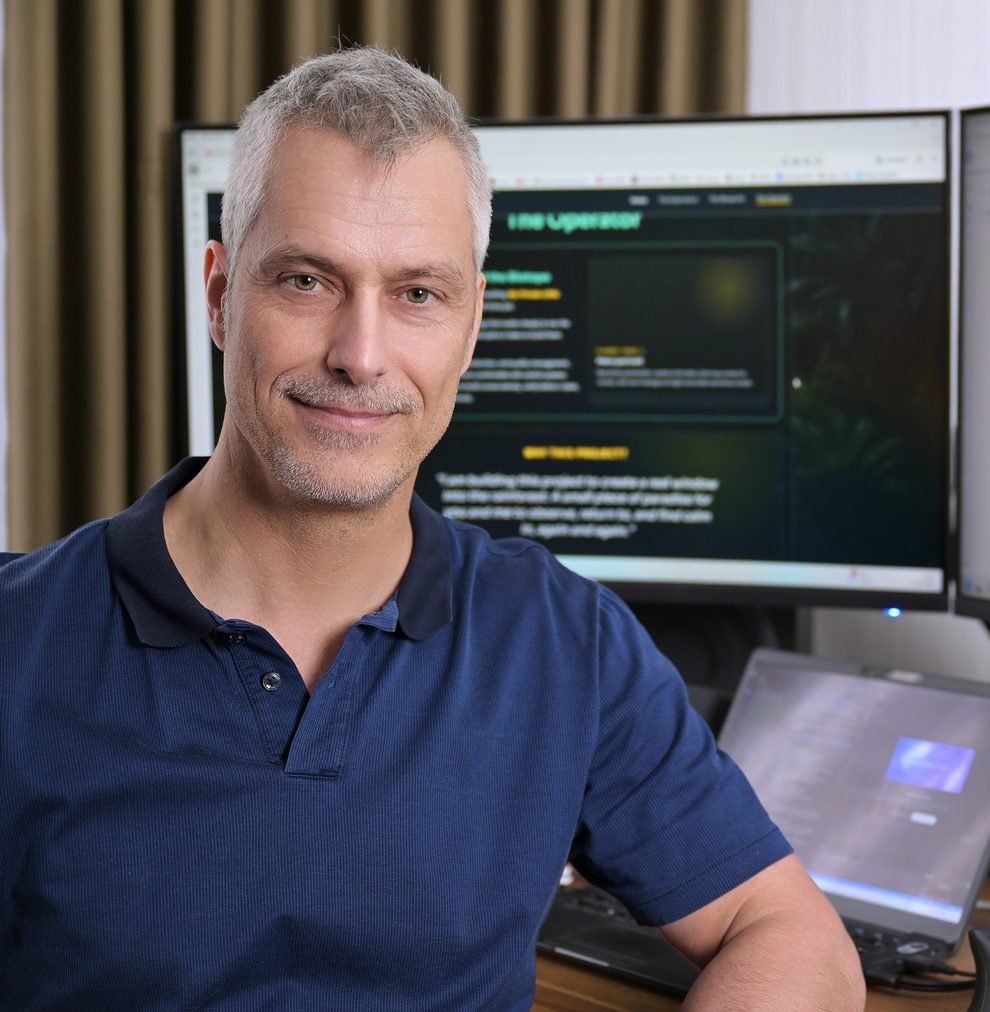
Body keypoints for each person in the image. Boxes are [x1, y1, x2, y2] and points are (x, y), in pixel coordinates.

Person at [0, 47, 864, 1010]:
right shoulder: (18, 642)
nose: (361, 356)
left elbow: (786, 932)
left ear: (472, 323)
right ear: (219, 294)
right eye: (307, 281)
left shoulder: (561, 641)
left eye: (418, 294)